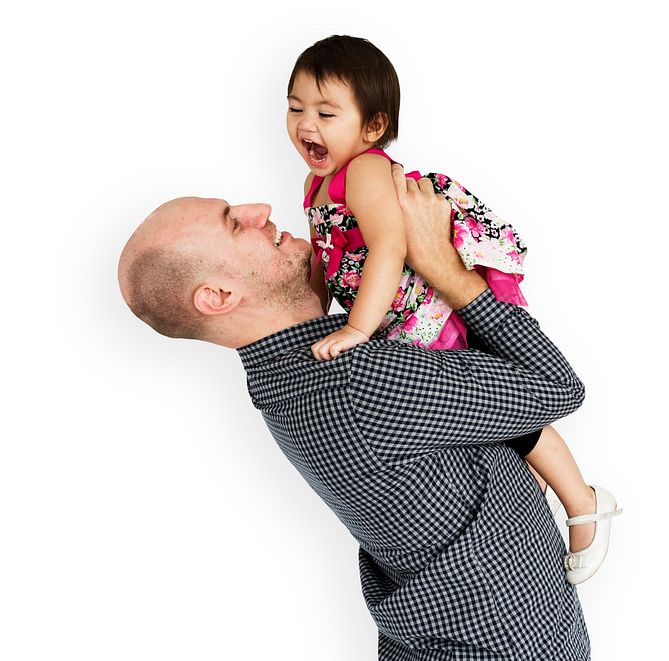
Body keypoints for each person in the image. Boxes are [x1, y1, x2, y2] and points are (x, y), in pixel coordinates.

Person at [118, 167, 607, 658]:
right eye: (233, 223)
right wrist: (445, 268)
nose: (258, 211)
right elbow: (558, 387)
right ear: (218, 297)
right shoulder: (356, 380)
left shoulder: (282, 376)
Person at [286, 35, 619, 579]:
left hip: (424, 313)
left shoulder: (365, 170)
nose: (306, 125)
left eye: (326, 112)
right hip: (393, 323)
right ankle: (531, 491)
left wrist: (358, 326)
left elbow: (391, 245)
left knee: (511, 413)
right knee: (474, 421)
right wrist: (318, 317)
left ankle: (584, 501)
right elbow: (329, 259)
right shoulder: (314, 182)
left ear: (372, 128)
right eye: (295, 107)